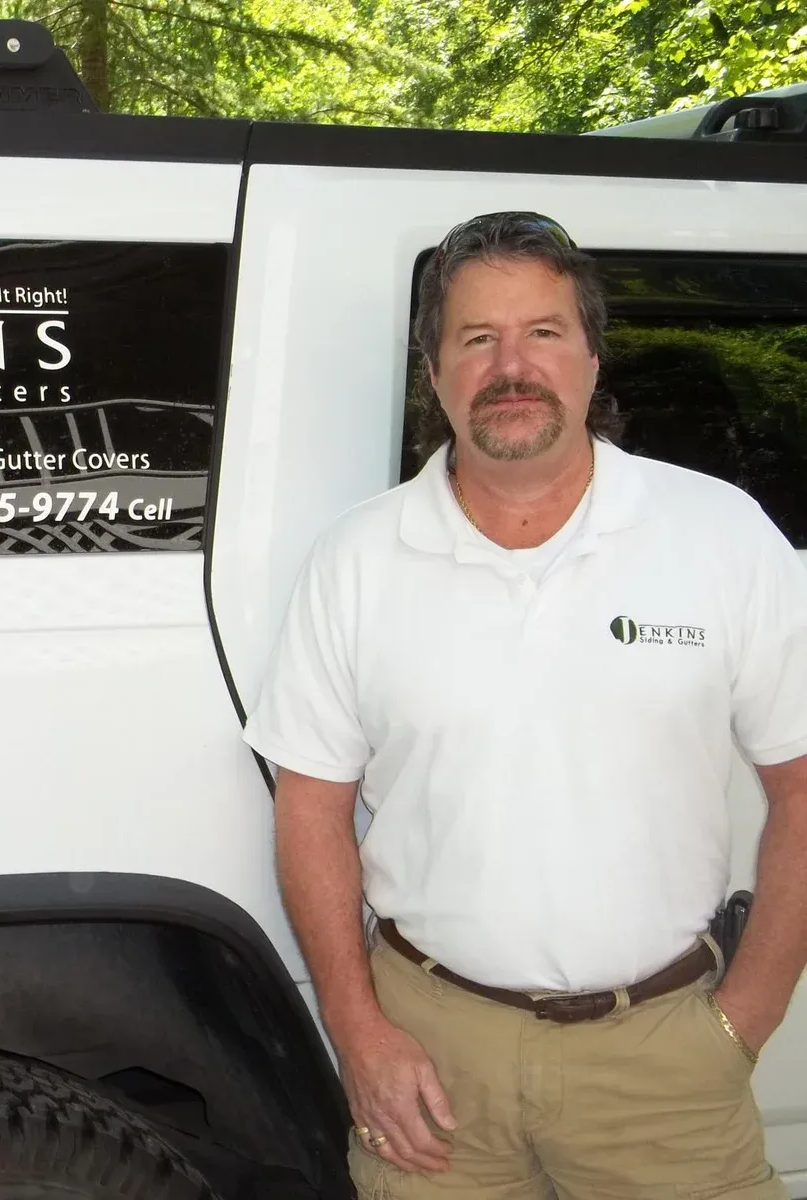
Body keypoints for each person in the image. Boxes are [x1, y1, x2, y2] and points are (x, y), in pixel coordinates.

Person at [243, 211, 807, 1198]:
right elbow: (310, 808)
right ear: (435, 372)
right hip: (429, 1057)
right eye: (476, 339)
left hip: (663, 1057)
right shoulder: (356, 561)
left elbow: (802, 787)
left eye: (542, 333)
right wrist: (357, 1028)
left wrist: (741, 1021)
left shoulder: (719, 536)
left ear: (591, 358)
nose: (511, 365)